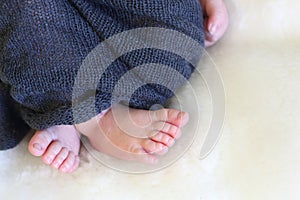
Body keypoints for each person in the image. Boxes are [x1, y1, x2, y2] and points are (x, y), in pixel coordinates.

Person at [0, 0, 228, 173]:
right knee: (24, 10)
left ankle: (65, 105)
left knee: (174, 28)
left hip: (122, 30)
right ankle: (88, 116)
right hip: (40, 29)